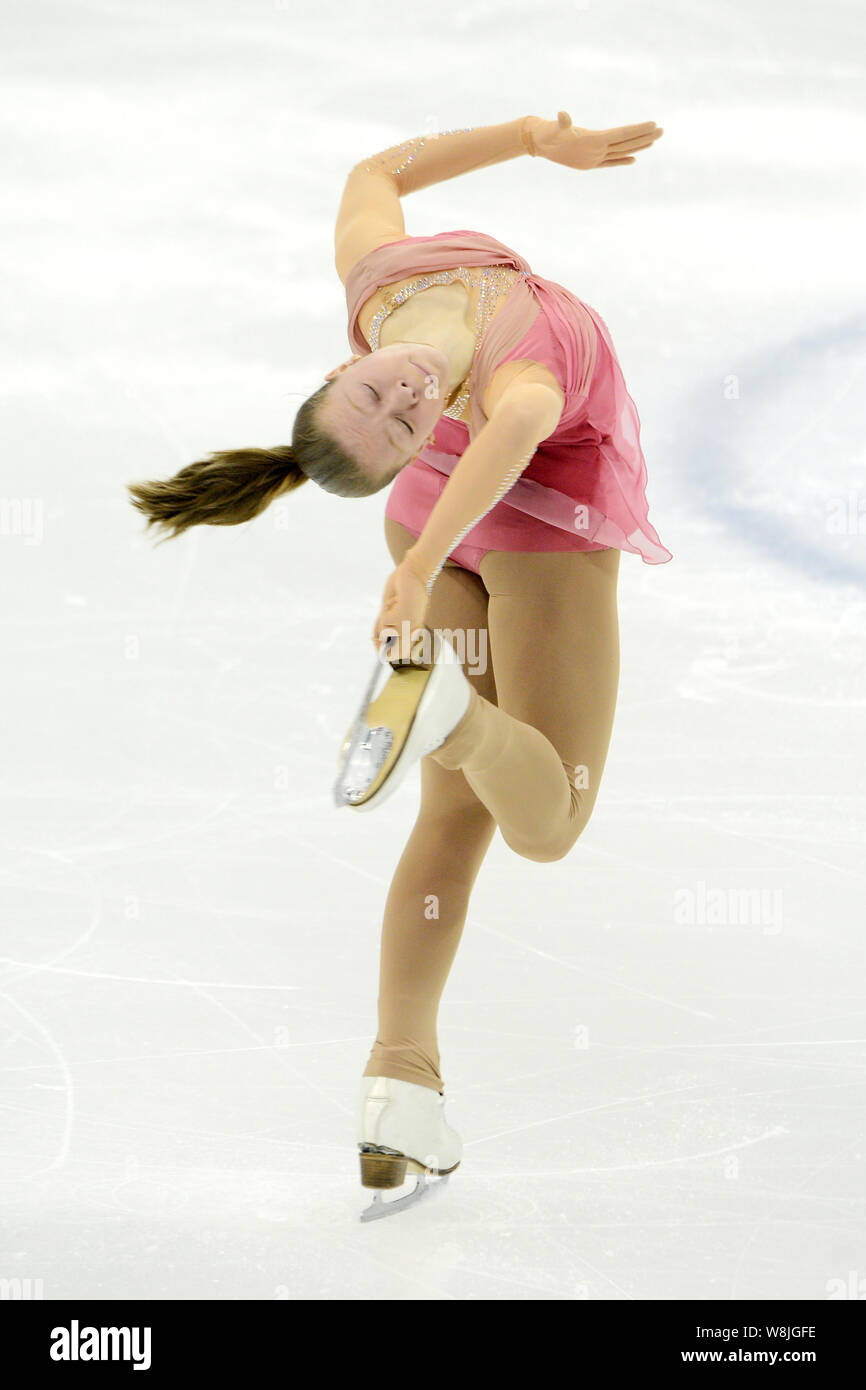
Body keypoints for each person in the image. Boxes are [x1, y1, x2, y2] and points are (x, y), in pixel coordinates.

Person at [128, 111, 670, 1220]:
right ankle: (455, 721)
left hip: (438, 533)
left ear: (349, 355)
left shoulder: (377, 279)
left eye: (381, 395)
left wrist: (529, 138)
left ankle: (398, 1084)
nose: (408, 394)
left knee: (453, 822)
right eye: (401, 421)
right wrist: (419, 570)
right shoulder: (513, 387)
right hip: (521, 536)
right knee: (549, 820)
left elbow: (374, 169)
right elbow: (514, 436)